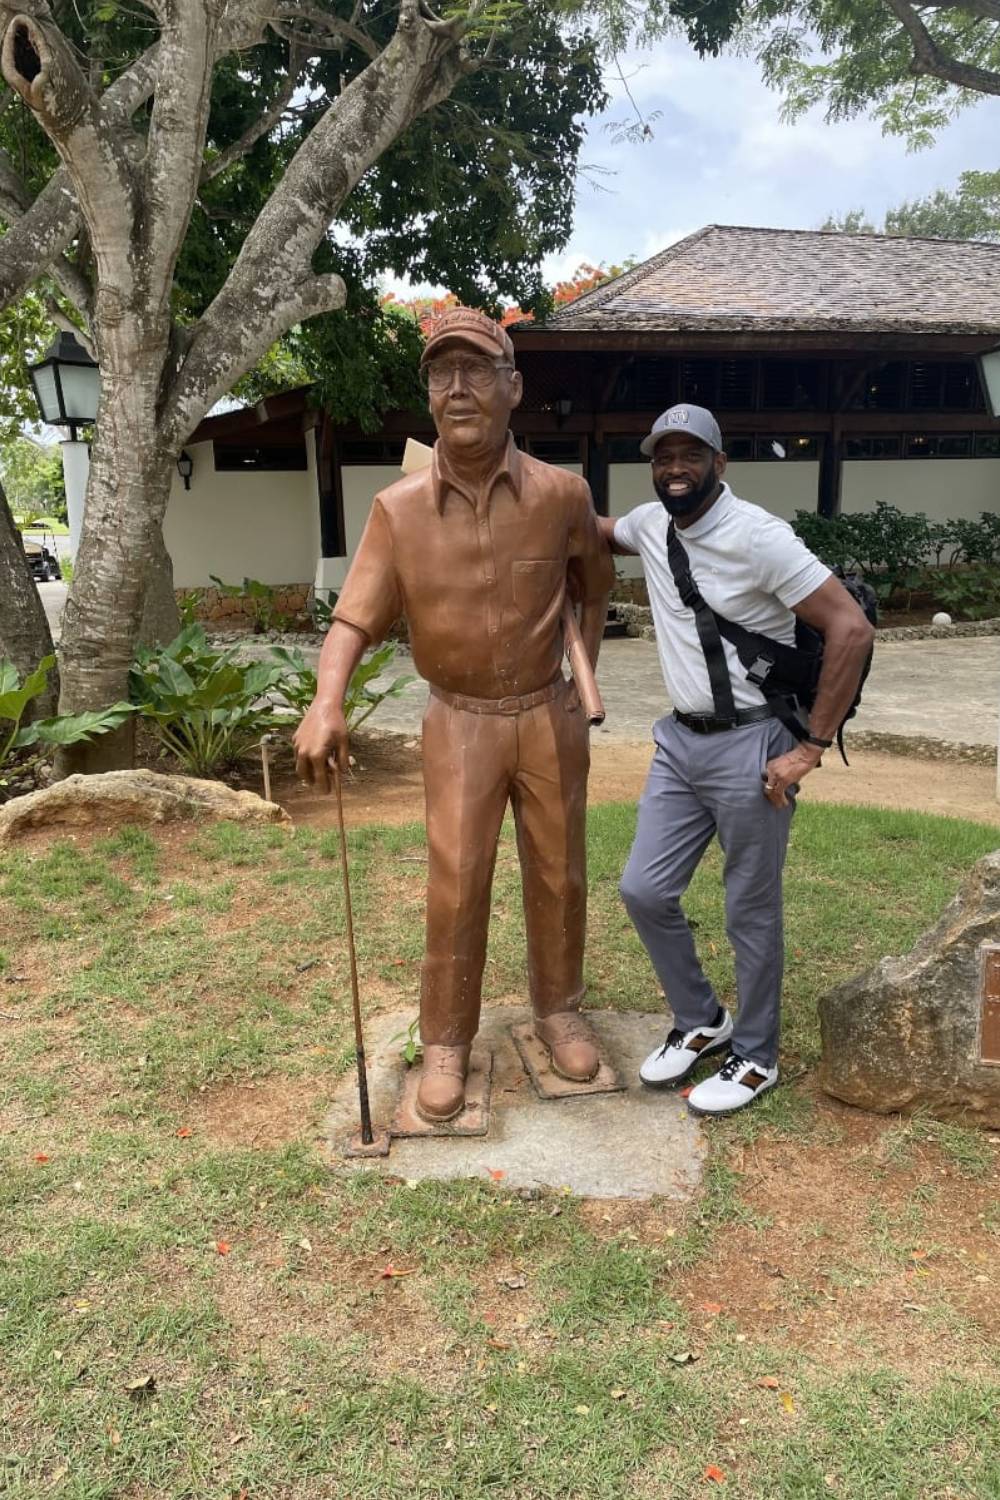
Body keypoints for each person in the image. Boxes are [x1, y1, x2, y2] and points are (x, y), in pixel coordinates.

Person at [294, 307, 613, 1123]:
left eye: (476, 371)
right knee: (456, 880)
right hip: (460, 720)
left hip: (548, 716)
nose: (459, 388)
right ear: (430, 395)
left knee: (558, 872)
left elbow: (593, 587)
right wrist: (327, 700)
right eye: (442, 374)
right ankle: (445, 1042)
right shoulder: (397, 510)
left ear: (513, 387)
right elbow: (354, 619)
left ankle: (558, 1009)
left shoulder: (562, 494)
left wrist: (586, 679)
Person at [599, 404, 874, 1118]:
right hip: (679, 741)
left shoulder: (759, 537)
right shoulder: (650, 525)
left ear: (719, 464)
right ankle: (702, 1019)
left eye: (692, 455)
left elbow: (850, 627)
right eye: (664, 457)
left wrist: (810, 747)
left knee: (748, 908)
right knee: (643, 889)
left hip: (756, 744)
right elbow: (595, 530)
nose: (675, 469)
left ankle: (756, 1056)